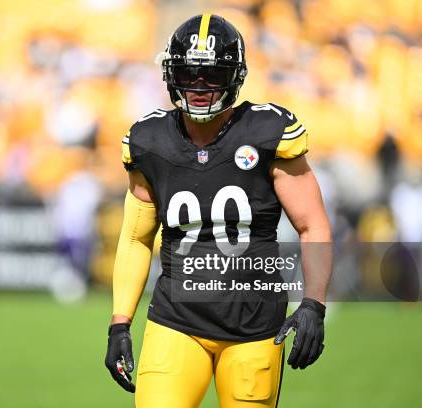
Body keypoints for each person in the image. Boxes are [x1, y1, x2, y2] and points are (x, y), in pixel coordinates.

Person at [104, 14, 332, 408]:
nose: (198, 85)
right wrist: (119, 323)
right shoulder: (150, 140)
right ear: (171, 74)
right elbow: (136, 238)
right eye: (189, 72)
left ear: (235, 76)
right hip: (176, 322)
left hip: (254, 327)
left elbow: (313, 226)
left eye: (211, 74)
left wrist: (313, 305)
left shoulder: (267, 132)